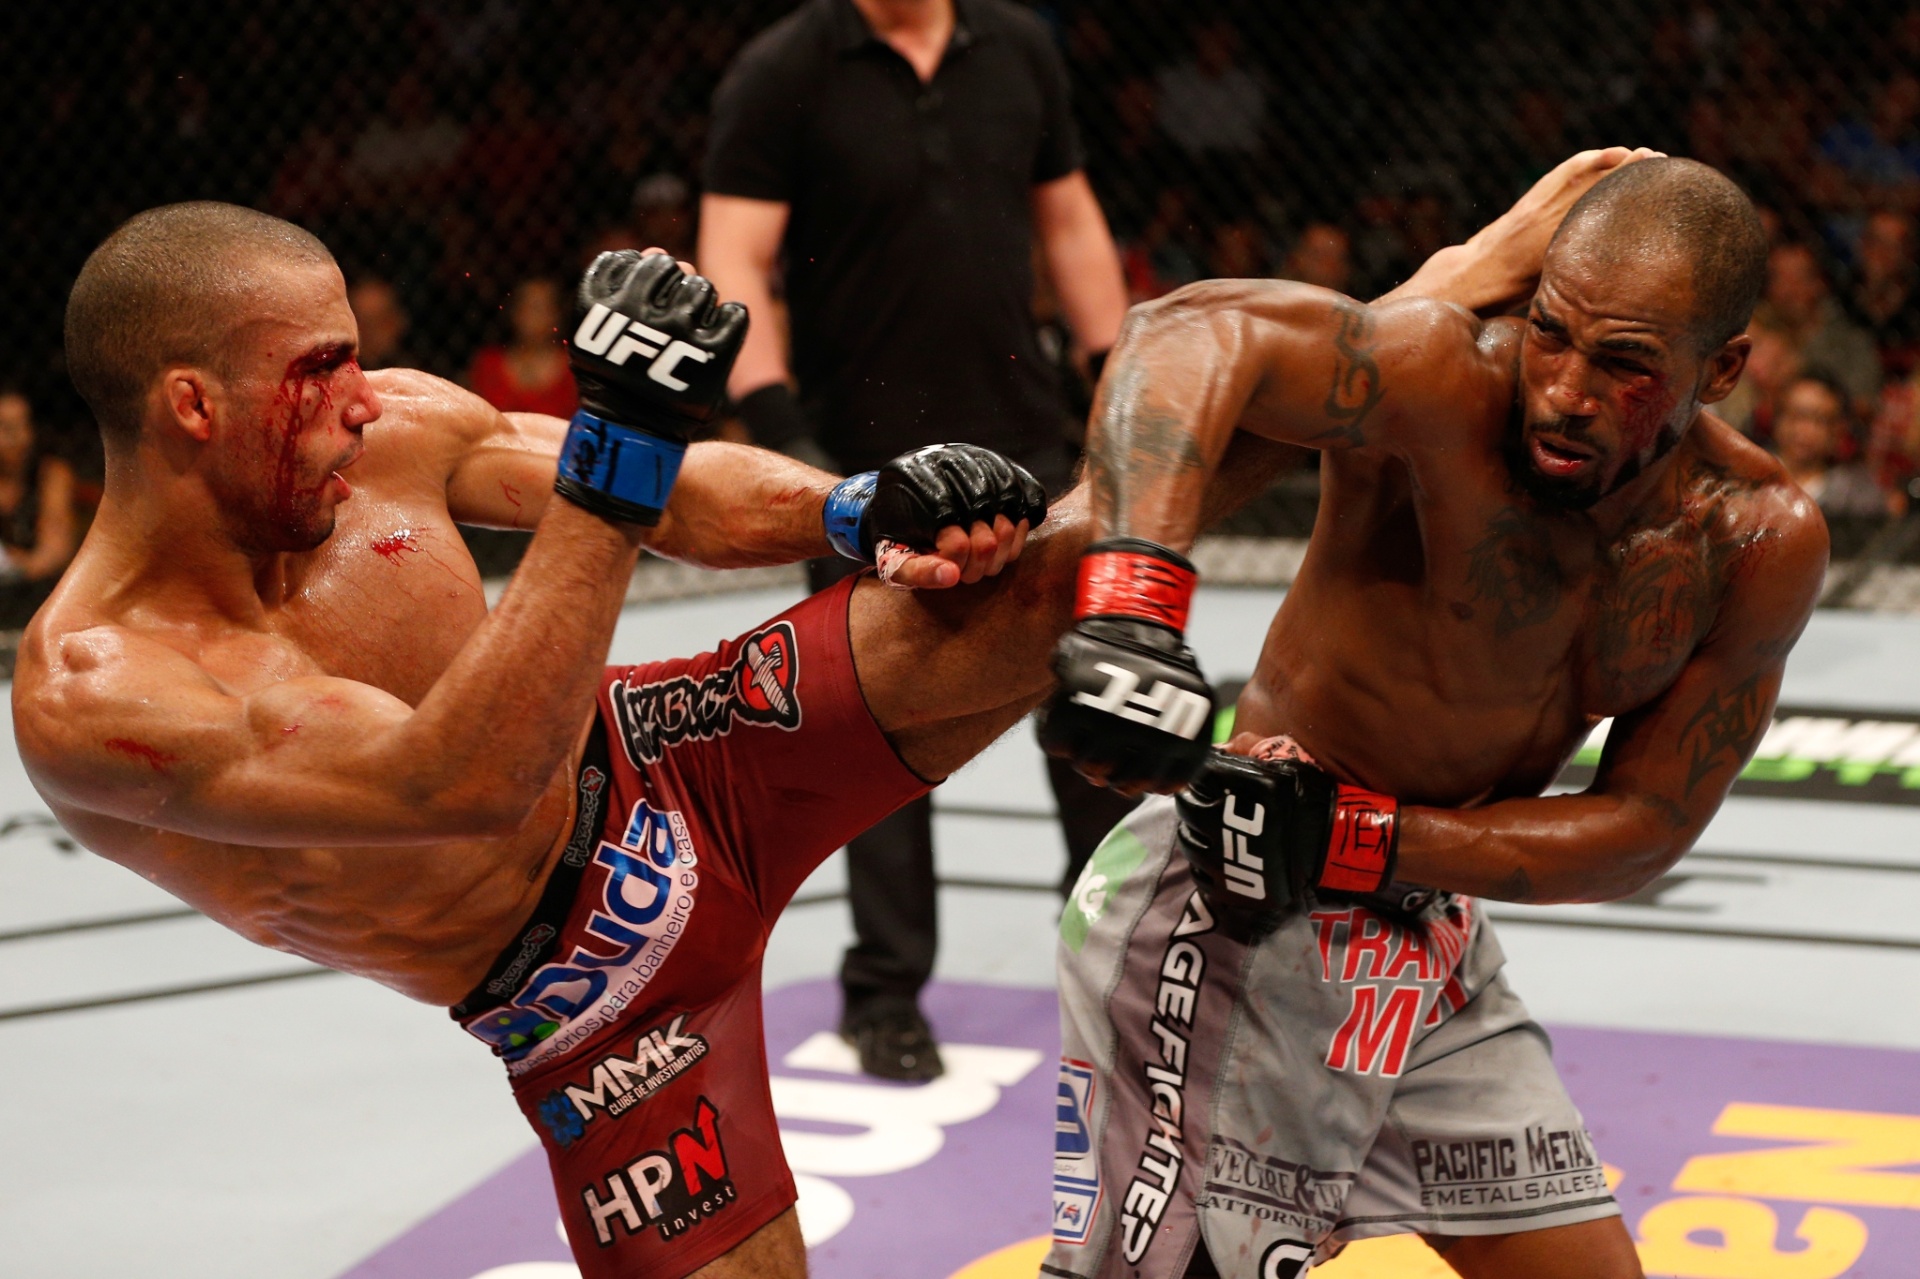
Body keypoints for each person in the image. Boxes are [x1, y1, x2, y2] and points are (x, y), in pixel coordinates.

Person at [17, 202, 1064, 1279]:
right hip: (584, 1003)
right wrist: (620, 452)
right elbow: (452, 785)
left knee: (1062, 581)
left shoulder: (391, 435)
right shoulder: (97, 695)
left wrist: (855, 506)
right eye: (321, 367)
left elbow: (684, 494)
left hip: (668, 755)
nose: (364, 399)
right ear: (193, 404)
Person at [1039, 156, 1826, 1276]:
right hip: (1231, 913)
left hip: (1425, 940)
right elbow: (1187, 332)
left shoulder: (1751, 539)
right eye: (1553, 332)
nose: (1563, 388)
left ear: (1727, 367)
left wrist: (1363, 837)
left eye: (1624, 365)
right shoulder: (1443, 382)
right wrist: (1132, 606)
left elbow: (1646, 822)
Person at [698, 0, 1135, 1080]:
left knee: (1090, 701)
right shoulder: (782, 68)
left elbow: (1068, 219)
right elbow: (734, 263)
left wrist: (1118, 380)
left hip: (1023, 428)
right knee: (876, 734)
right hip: (866, 463)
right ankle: (885, 989)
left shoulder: (1019, 45)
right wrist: (796, 448)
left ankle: (1119, 956)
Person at [0, 384, 82, 625]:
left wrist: (15, 567)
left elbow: (55, 550)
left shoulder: (51, 474)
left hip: (40, 604)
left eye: (23, 425)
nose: (18, 439)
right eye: (6, 428)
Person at [1771, 371, 1894, 518]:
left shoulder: (1857, 495)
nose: (1804, 429)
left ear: (1838, 430)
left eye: (1818, 420)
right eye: (1796, 415)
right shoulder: (1749, 477)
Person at [468, 277, 580, 418]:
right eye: (528, 306)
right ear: (515, 312)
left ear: (556, 315)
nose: (534, 316)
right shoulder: (488, 364)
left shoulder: (574, 369)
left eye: (541, 308)